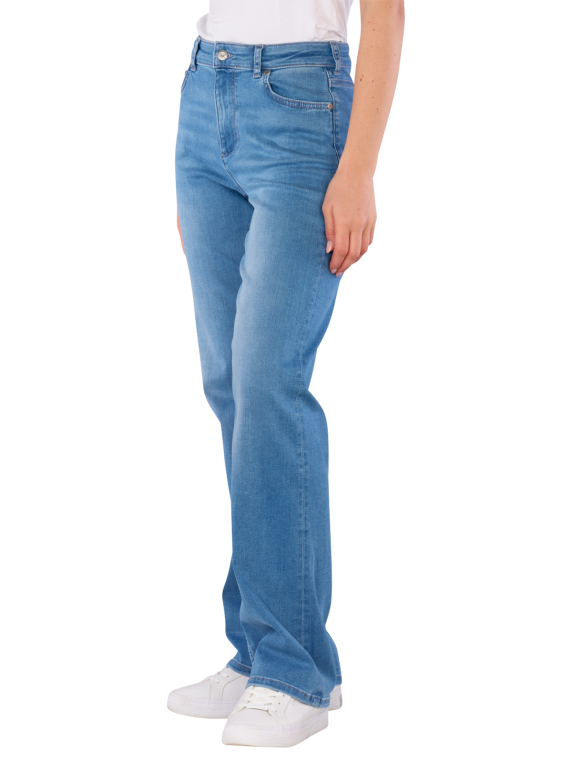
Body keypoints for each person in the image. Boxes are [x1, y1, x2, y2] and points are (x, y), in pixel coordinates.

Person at [170, 0, 405, 748]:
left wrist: (359, 169)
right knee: (229, 387)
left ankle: (296, 671)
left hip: (304, 104)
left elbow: (387, 14)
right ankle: (257, 653)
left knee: (267, 382)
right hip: (206, 92)